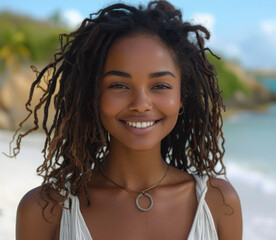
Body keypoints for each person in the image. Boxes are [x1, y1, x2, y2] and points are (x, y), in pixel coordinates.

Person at [13, 1, 242, 239]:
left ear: (182, 97)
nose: (141, 104)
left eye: (160, 85)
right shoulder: (45, 210)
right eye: (119, 85)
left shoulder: (219, 204)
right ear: (93, 96)